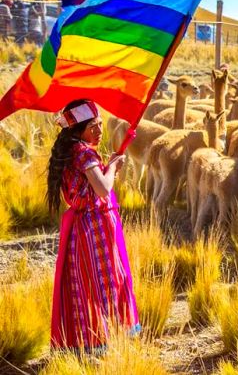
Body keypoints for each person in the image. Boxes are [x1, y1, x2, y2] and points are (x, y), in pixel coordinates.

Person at [48, 99, 140, 352]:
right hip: (94, 227)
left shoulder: (72, 150)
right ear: (78, 130)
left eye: (100, 125)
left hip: (83, 226)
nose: (100, 131)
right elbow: (102, 189)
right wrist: (113, 167)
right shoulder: (84, 152)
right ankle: (105, 339)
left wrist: (108, 165)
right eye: (93, 127)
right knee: (105, 280)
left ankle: (89, 339)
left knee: (86, 282)